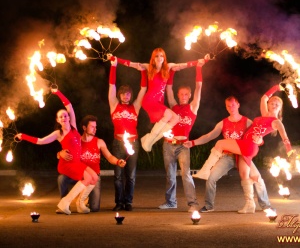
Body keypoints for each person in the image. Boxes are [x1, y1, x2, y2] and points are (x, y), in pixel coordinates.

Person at [184, 84, 295, 213]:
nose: (274, 104)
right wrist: (277, 87)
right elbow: (264, 97)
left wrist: (288, 150)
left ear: (238, 105)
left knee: (221, 144)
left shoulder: (270, 121)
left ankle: (266, 205)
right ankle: (248, 205)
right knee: (245, 176)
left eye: (277, 104)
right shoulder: (261, 115)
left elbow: (279, 137)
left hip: (246, 147)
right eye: (272, 102)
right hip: (234, 153)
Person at [16, 88, 99, 215]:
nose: (64, 117)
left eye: (65, 115)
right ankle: (65, 203)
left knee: (94, 177)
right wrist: (23, 136)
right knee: (88, 178)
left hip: (77, 163)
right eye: (61, 117)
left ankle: (80, 204)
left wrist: (57, 92)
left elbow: (69, 106)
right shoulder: (58, 133)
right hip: (67, 164)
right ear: (58, 120)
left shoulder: (74, 127)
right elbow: (41, 141)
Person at [109, 48, 203, 152]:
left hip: (158, 102)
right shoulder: (148, 67)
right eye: (156, 56)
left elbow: (183, 65)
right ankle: (149, 139)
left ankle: (149, 140)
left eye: (161, 56)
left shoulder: (168, 67)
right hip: (149, 100)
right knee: (169, 115)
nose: (159, 58)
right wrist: (116, 60)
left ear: (164, 58)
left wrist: (197, 63)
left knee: (175, 118)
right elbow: (131, 64)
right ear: (153, 58)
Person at [158, 59, 207, 212]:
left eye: (186, 94)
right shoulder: (174, 107)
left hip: (183, 145)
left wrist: (198, 67)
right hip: (168, 144)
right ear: (179, 95)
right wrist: (172, 71)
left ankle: (192, 204)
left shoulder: (193, 107)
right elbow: (168, 89)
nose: (184, 96)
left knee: (186, 175)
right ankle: (170, 202)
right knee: (170, 176)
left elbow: (199, 86)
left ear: (189, 95)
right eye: (182, 94)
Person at [56, 115, 126, 212]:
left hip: (94, 178)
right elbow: (63, 154)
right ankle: (64, 205)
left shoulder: (99, 142)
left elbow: (109, 157)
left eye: (95, 127)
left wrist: (118, 161)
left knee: (94, 208)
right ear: (84, 128)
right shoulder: (76, 141)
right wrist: (60, 153)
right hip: (79, 176)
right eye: (92, 127)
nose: (95, 129)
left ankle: (81, 201)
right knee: (62, 178)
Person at [108, 56, 147, 211]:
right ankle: (119, 202)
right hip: (117, 143)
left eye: (128, 93)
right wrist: (113, 65)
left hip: (132, 143)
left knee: (130, 176)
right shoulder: (114, 105)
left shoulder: (135, 107)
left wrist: (143, 72)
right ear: (119, 95)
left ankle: (128, 202)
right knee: (117, 176)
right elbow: (111, 85)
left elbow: (143, 89)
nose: (126, 95)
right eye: (123, 93)